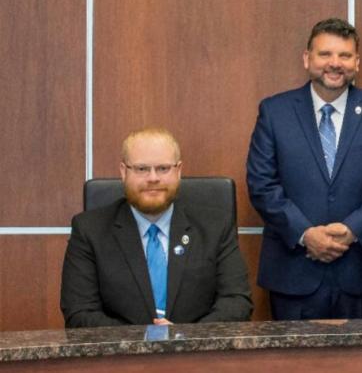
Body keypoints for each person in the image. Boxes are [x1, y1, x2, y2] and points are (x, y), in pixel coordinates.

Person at [247, 18, 362, 319]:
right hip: (292, 271)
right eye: (325, 54)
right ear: (307, 58)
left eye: (345, 56)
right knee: (293, 366)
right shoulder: (274, 112)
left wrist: (352, 230)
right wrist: (305, 233)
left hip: (360, 272)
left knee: (360, 366)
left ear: (357, 62)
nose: (335, 63)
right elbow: (262, 184)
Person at [60, 128, 252, 327]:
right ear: (123, 172)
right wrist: (144, 340)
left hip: (196, 355)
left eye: (163, 168)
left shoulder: (215, 227)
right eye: (142, 169)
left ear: (178, 171)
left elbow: (236, 302)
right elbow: (79, 313)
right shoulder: (89, 230)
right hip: (121, 356)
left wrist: (184, 338)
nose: (153, 178)